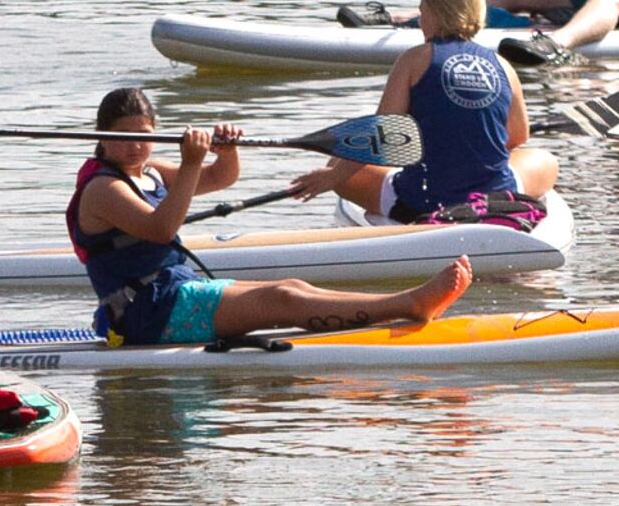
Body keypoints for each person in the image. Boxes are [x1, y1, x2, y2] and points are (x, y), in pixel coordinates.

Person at [69, 88, 472, 349]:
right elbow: (162, 229)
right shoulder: (104, 189)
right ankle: (408, 305)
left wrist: (225, 153)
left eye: (144, 134)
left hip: (175, 292)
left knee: (290, 286)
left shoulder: (149, 171)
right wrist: (191, 162)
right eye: (123, 136)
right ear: (101, 137)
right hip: (149, 314)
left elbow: (217, 178)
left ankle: (404, 303)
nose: (136, 146)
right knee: (282, 300)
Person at [285, 0, 557, 222]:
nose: (420, 15)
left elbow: (383, 135)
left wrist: (333, 177)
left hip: (424, 201)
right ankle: (486, 198)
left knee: (338, 164)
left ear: (436, 13)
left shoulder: (414, 61)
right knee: (544, 160)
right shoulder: (503, 66)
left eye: (423, 8)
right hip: (492, 196)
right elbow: (517, 138)